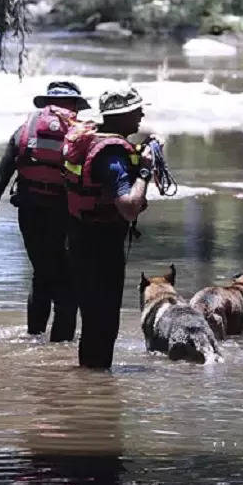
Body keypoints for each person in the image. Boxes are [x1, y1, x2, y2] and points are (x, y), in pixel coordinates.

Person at [0, 81, 89, 341]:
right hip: (66, 217)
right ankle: (58, 358)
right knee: (66, 289)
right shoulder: (81, 137)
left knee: (42, 274)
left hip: (31, 214)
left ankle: (34, 341)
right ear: (74, 107)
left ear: (46, 105)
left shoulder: (24, 132)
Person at [62, 87, 158, 370]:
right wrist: (145, 171)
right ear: (121, 115)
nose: (141, 114)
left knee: (92, 320)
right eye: (136, 110)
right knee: (103, 323)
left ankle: (87, 383)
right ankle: (96, 389)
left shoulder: (93, 140)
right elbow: (128, 208)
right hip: (100, 247)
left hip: (80, 238)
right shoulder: (113, 154)